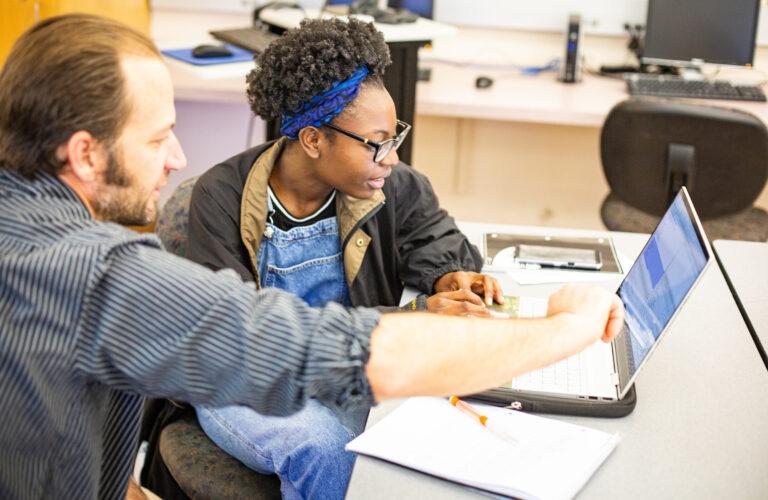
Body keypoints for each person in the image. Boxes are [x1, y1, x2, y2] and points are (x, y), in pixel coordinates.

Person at [0, 13, 624, 500]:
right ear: (84, 154)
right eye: (160, 137)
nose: (178, 159)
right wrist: (565, 329)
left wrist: (444, 279)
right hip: (259, 379)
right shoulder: (109, 275)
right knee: (337, 447)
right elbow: (295, 349)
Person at [164, 17, 507, 500]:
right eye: (376, 143)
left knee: (423, 445)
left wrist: (448, 273)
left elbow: (433, 233)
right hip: (247, 379)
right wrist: (409, 319)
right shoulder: (222, 196)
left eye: (395, 137)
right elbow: (241, 335)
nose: (389, 157)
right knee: (327, 449)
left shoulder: (393, 184)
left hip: (342, 366)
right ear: (312, 140)